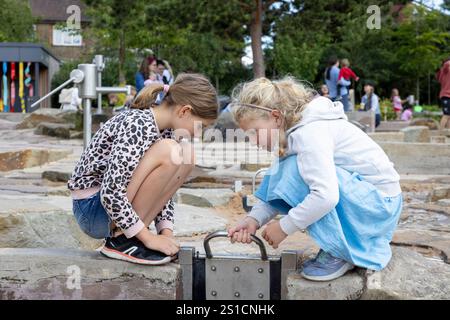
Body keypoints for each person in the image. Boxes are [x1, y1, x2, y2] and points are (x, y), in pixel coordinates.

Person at [227, 77, 402, 281]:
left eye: (255, 132)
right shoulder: (297, 131)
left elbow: (325, 196)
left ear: (275, 117)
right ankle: (341, 242)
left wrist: (284, 227)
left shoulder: (310, 134)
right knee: (284, 167)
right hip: (369, 201)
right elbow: (281, 183)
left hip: (377, 209)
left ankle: (342, 250)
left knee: (296, 170)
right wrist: (253, 219)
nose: (253, 141)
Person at [67, 74, 219, 265]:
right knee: (170, 150)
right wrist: (148, 238)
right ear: (185, 111)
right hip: (92, 208)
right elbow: (110, 192)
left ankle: (131, 235)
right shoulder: (138, 123)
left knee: (186, 154)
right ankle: (122, 241)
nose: (199, 133)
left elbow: (162, 189)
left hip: (110, 210)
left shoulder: (167, 131)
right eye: (201, 126)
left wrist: (165, 233)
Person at [436, 57, 450, 129]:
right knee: (446, 115)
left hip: (448, 95)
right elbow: (446, 64)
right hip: (446, 95)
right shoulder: (445, 70)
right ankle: (440, 133)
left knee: (449, 116)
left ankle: (448, 132)